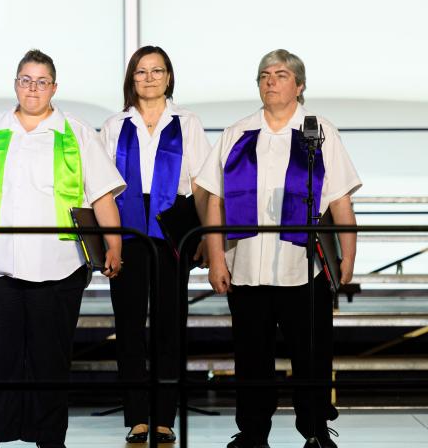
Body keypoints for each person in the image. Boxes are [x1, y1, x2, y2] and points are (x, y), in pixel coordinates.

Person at [0, 49, 125, 448]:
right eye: (26, 80)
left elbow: (102, 195)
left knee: (50, 358)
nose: (33, 88)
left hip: (58, 265)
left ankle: (49, 436)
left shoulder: (76, 132)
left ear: (54, 88)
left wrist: (114, 243)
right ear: (16, 84)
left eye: (41, 82)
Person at [196, 49, 360, 448]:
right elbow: (215, 199)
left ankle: (315, 430)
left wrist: (349, 257)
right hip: (246, 266)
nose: (271, 81)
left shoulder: (319, 130)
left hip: (302, 267)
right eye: (264, 75)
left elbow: (340, 200)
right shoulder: (238, 132)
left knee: (311, 354)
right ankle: (252, 432)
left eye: (281, 74)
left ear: (299, 85)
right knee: (251, 356)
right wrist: (216, 259)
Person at [99, 45, 211, 444]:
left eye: (157, 71)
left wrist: (204, 235)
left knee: (169, 327)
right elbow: (101, 187)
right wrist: (108, 242)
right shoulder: (115, 125)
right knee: (128, 326)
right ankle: (136, 417)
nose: (149, 78)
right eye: (141, 72)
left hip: (171, 229)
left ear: (169, 76)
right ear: (131, 78)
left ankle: (164, 416)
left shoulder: (187, 122)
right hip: (126, 231)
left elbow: (201, 185)